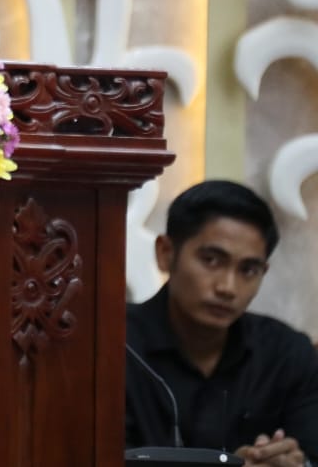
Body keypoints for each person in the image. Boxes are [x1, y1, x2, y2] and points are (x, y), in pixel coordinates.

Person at [126, 179, 318, 466]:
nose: (228, 287)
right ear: (165, 253)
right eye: (212, 260)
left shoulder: (287, 353)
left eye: (248, 269)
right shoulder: (113, 344)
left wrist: (296, 463)